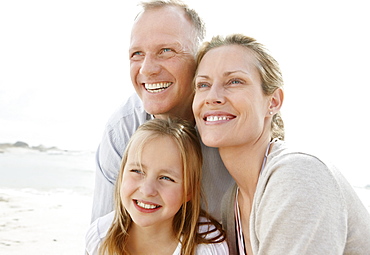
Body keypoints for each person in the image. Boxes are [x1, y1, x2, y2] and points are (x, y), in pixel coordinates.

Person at [192, 33, 370, 254]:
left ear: (273, 102)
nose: (212, 96)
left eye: (235, 81)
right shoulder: (233, 202)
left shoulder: (298, 173)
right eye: (203, 84)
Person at [91, 0, 234, 223]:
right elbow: (106, 235)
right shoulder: (122, 129)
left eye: (166, 51)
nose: (147, 69)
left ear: (200, 58)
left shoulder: (231, 120)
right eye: (137, 54)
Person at [86, 118, 229, 255]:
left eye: (166, 178)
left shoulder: (208, 247)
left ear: (189, 191)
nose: (147, 190)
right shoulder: (100, 236)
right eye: (137, 171)